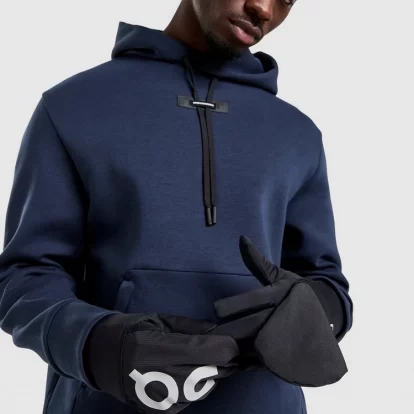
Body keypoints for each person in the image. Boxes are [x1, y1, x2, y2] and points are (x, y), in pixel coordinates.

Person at [0, 1, 353, 413]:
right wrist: (97, 341)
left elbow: (327, 283)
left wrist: (310, 307)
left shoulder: (298, 133)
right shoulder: (72, 105)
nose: (263, 8)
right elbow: (24, 276)